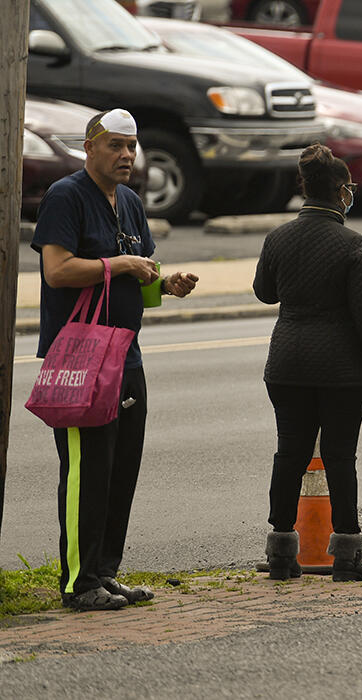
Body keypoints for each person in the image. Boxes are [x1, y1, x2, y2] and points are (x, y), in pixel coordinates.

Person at [31, 109, 199, 611]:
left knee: (121, 470)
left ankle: (106, 573)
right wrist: (119, 263)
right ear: (90, 147)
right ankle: (78, 584)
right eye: (116, 146)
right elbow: (58, 271)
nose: (127, 155)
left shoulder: (129, 200)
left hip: (126, 356)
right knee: (87, 470)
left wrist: (164, 282)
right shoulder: (66, 196)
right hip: (83, 362)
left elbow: (141, 274)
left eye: (132, 147)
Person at [254, 144, 362, 582]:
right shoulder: (353, 245)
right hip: (342, 372)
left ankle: (281, 552)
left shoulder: (278, 237)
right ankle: (348, 556)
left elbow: (265, 292)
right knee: (339, 457)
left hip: (287, 364)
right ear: (341, 192)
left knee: (290, 454)